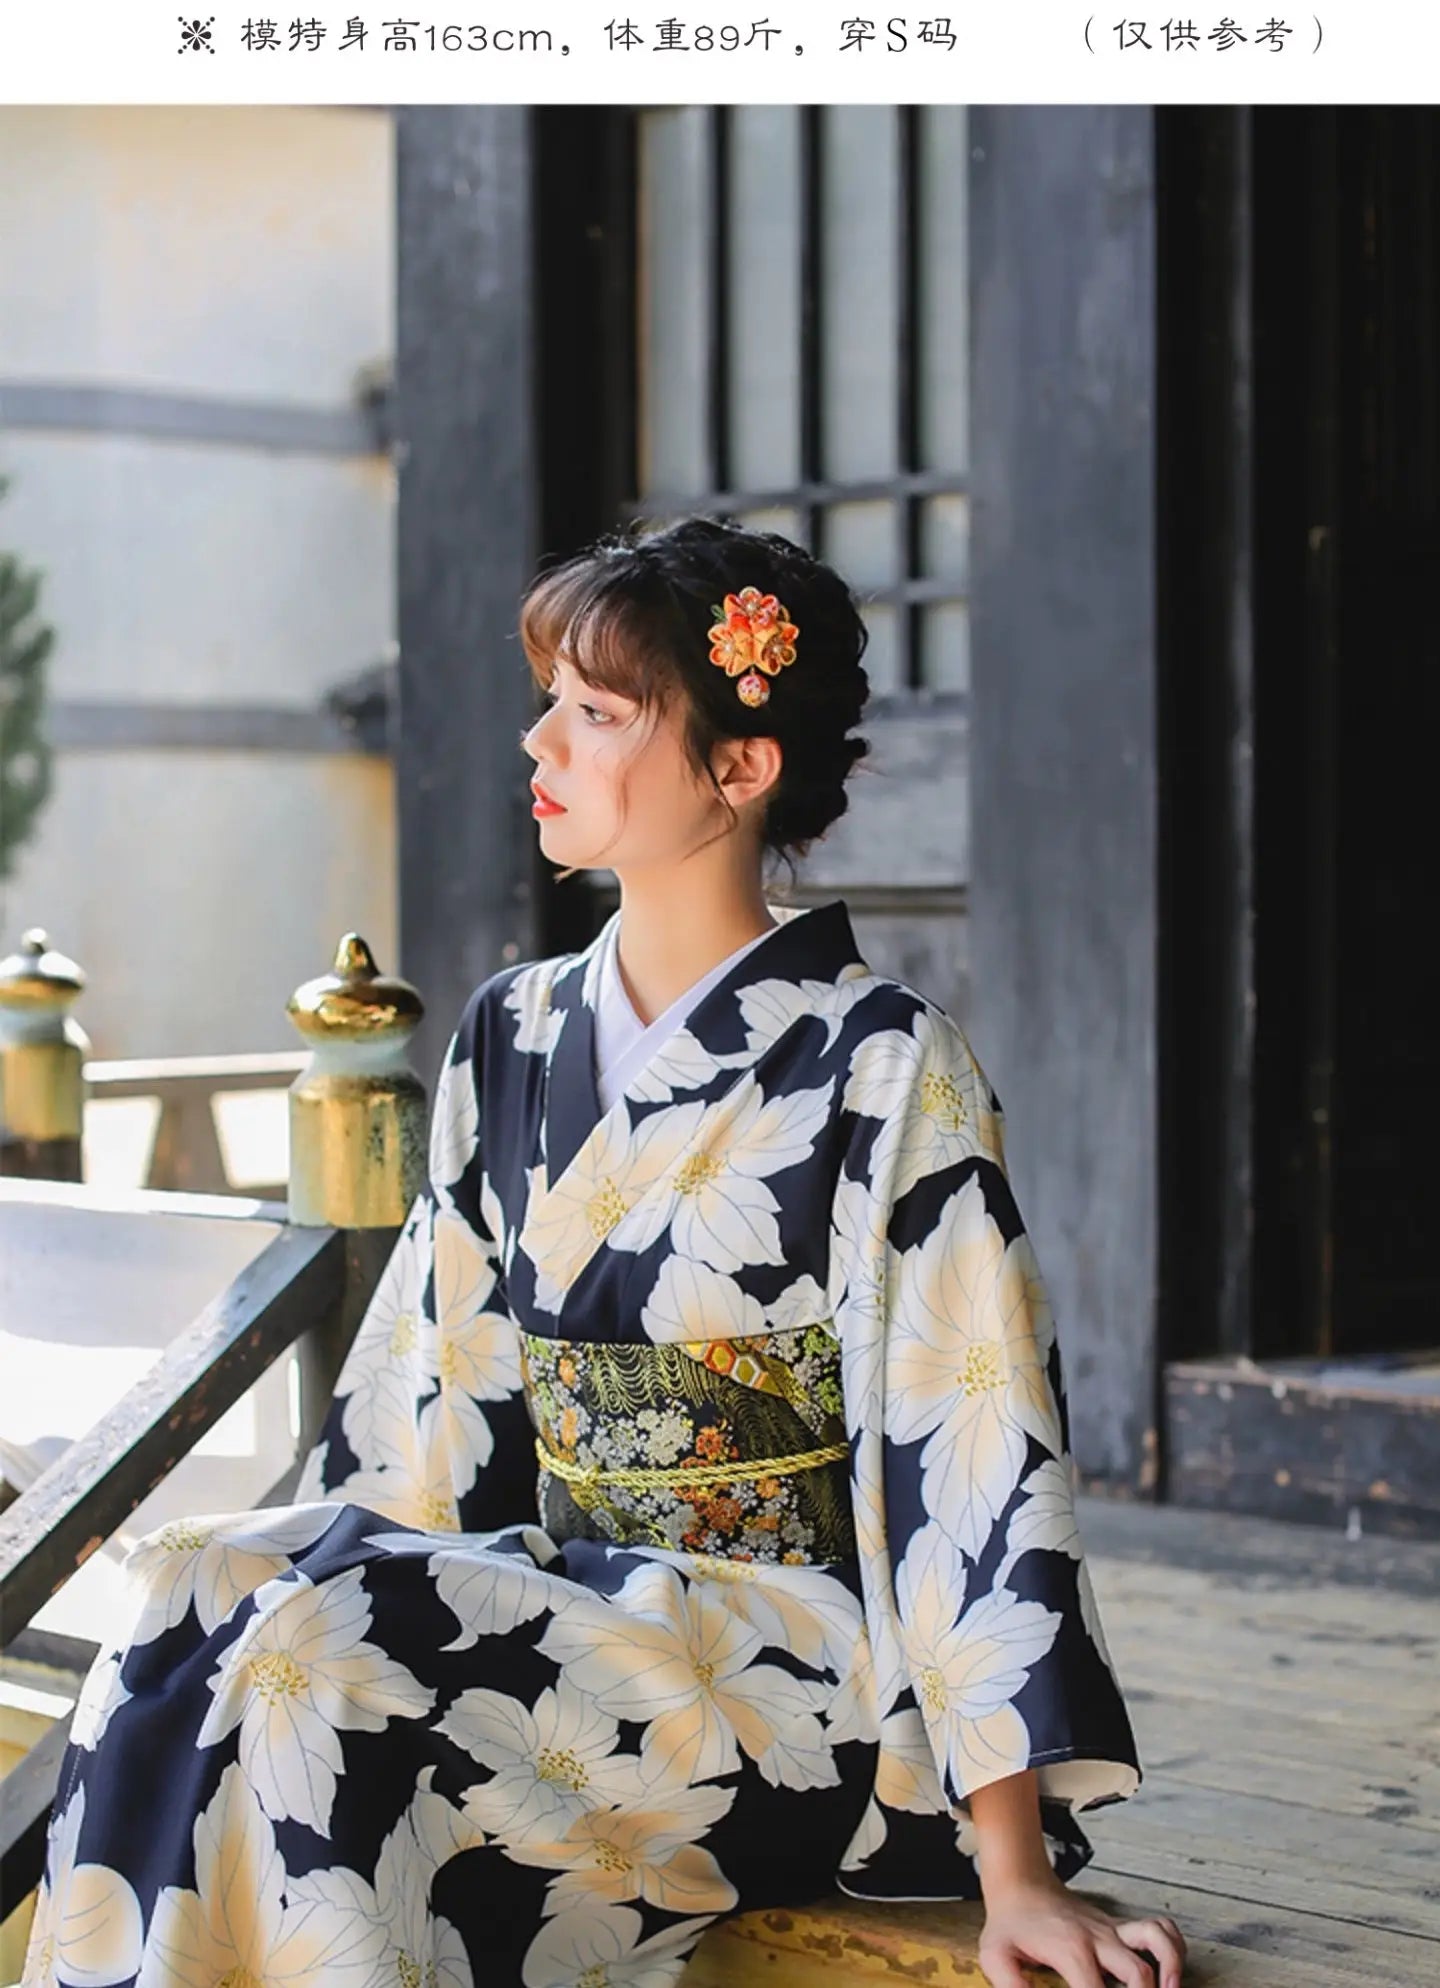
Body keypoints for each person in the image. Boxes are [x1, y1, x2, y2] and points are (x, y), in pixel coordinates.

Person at [22, 517, 1186, 1988]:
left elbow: (968, 1437)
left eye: (594, 712)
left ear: (741, 767)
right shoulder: (511, 1033)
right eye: (547, 700)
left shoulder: (882, 1063)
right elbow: (428, 1400)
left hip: (783, 1672)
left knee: (320, 1648)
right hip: (564, 1612)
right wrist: (351, 1564)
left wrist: (1012, 1873)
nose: (538, 740)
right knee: (201, 1584)